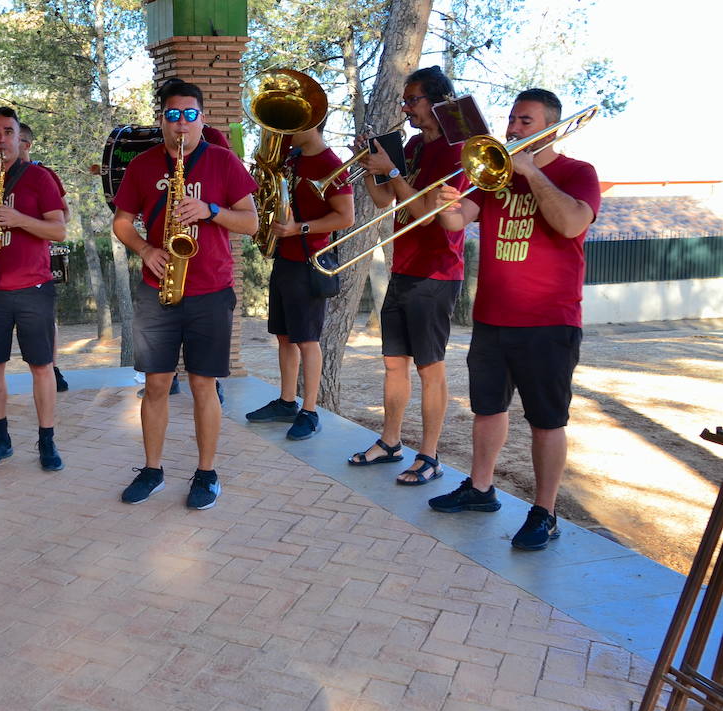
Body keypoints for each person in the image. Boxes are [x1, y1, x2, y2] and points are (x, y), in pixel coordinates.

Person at [429, 88, 599, 551]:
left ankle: (545, 512)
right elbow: (455, 221)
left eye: (525, 121)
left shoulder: (577, 172)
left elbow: (570, 223)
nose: (513, 128)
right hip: (492, 318)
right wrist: (448, 203)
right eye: (512, 120)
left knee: (547, 420)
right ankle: (481, 489)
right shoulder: (494, 176)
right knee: (487, 409)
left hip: (549, 320)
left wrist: (530, 172)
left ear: (552, 126)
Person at [112, 80, 258, 510]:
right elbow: (122, 222)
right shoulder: (142, 165)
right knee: (155, 385)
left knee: (202, 385)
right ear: (162, 119)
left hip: (210, 290)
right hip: (157, 287)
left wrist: (211, 211)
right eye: (172, 115)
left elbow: (250, 223)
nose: (181, 124)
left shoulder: (223, 162)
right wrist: (146, 249)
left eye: (189, 114)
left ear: (202, 118)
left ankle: (206, 473)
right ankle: (153, 469)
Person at [345, 66, 467, 485]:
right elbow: (384, 201)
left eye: (412, 99)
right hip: (404, 267)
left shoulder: (459, 150)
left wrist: (392, 172)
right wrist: (369, 167)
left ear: (437, 101)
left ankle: (430, 456)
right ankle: (390, 442)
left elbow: (423, 214)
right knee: (393, 364)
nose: (405, 107)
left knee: (429, 367)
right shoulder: (413, 145)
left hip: (436, 273)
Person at [0, 107, 68, 471]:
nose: (1, 139)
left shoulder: (40, 178)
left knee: (42, 368)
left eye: (8, 131)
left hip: (34, 287)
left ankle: (47, 441)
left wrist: (19, 219)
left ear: (20, 138)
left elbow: (58, 230)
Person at [244, 124, 355, 439]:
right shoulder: (291, 159)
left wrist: (299, 229)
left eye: (295, 124)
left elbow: (346, 217)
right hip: (285, 259)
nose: (285, 131)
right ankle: (286, 401)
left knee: (307, 340)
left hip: (310, 261)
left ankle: (310, 411)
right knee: (283, 336)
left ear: (314, 124)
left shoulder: (332, 165)